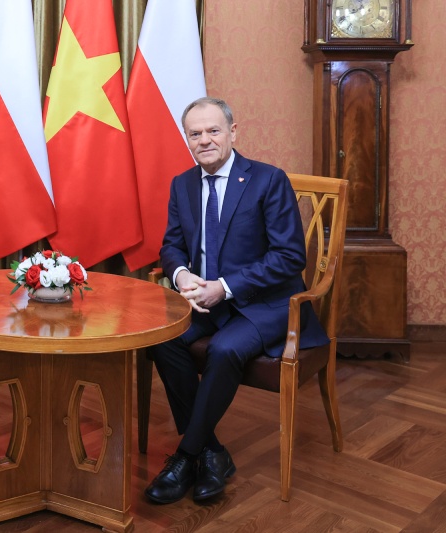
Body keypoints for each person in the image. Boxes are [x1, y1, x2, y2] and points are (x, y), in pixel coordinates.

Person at [144, 97, 329, 504]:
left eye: (213, 130)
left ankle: (186, 455)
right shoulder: (183, 184)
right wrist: (181, 275)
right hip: (206, 299)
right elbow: (172, 246)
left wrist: (224, 286)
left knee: (226, 349)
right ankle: (212, 452)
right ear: (187, 140)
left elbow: (289, 258)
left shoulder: (267, 179)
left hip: (267, 302)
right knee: (159, 339)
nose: (205, 140)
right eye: (196, 134)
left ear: (233, 132)